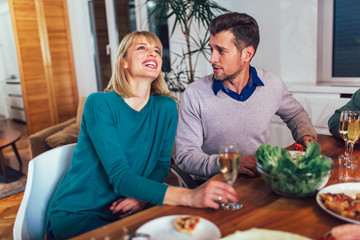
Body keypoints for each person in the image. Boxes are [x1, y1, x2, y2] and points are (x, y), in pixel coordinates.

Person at [46, 31, 238, 240]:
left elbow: (160, 166)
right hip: (80, 213)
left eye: (156, 50)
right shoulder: (99, 104)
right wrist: (191, 196)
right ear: (123, 63)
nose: (152, 53)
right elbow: (119, 177)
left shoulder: (166, 107)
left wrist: (141, 200)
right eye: (141, 48)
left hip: (129, 209)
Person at [175, 12, 317, 182]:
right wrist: (229, 164)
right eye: (211, 49)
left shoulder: (272, 83)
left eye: (221, 51)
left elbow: (295, 114)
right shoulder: (194, 94)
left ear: (247, 54)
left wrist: (305, 134)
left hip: (258, 181)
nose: (212, 59)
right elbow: (186, 157)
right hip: (212, 187)